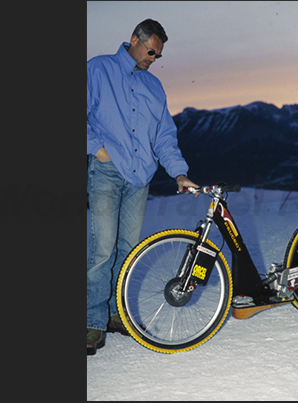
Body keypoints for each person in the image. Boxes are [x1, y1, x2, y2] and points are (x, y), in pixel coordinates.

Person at [87, 19, 198, 355]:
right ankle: (92, 322)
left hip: (139, 179)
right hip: (106, 172)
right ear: (135, 40)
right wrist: (96, 148)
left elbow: (164, 135)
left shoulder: (153, 87)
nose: (153, 58)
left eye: (158, 55)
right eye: (151, 51)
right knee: (103, 249)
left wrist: (178, 172)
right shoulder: (98, 69)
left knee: (128, 249)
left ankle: (117, 315)